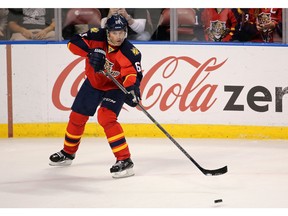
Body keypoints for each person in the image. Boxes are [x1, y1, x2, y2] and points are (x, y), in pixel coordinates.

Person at [49, 14, 143, 179]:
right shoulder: (95, 35)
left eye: (122, 32)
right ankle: (68, 153)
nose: (119, 36)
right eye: (115, 32)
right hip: (93, 83)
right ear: (107, 32)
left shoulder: (131, 52)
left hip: (115, 87)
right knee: (77, 116)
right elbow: (72, 43)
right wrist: (92, 53)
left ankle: (124, 160)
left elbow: (131, 75)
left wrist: (131, 90)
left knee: (106, 117)